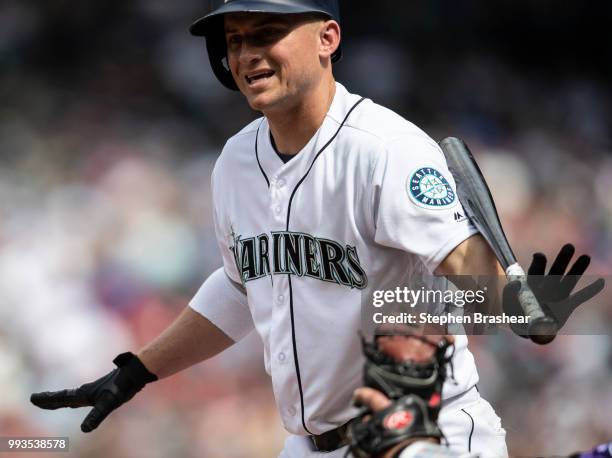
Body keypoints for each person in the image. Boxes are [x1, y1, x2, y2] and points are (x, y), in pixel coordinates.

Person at [30, 1, 603, 456]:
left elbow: (457, 258)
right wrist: (139, 370)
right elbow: (239, 286)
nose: (247, 53)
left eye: (266, 33)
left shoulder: (385, 148)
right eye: (235, 41)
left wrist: (515, 304)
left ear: (327, 38)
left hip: (422, 435)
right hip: (307, 445)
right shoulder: (234, 161)